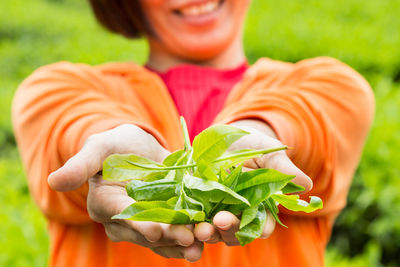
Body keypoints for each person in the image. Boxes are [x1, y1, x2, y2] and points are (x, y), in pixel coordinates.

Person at [12, 0, 374, 266]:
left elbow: (303, 117)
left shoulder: (332, 85)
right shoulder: (54, 88)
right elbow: (72, 123)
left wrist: (251, 137)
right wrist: (112, 147)